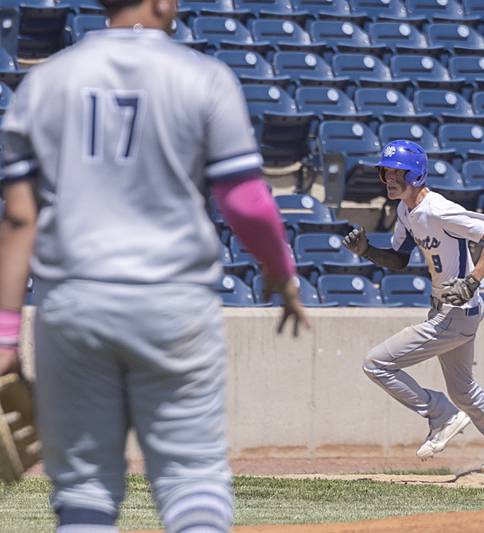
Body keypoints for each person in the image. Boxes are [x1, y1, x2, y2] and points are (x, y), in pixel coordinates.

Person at [0, 0, 308, 530]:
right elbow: (246, 201)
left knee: (85, 487)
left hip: (74, 300)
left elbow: (19, 220)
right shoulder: (203, 77)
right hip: (173, 299)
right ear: (163, 3)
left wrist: (5, 335)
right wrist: (281, 274)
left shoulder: (45, 83)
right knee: (191, 478)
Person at [344, 140, 484, 473]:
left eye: (398, 172)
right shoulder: (406, 211)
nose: (390, 178)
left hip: (456, 312)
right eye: (386, 172)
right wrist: (367, 251)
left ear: (417, 174)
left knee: (376, 363)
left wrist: (472, 280)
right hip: (449, 309)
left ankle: (441, 414)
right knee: (464, 390)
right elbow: (398, 260)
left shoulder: (438, 208)